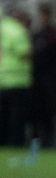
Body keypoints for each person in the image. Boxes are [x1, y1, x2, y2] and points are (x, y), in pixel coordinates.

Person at [31, 5, 56, 147]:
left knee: (51, 111)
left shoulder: (55, 33)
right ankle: (36, 141)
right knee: (37, 112)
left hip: (51, 78)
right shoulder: (36, 35)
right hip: (38, 79)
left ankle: (50, 141)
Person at [0, 10, 32, 147]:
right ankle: (15, 147)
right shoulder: (17, 31)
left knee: (2, 120)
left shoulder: (2, 29)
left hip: (2, 80)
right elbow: (25, 53)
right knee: (16, 120)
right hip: (17, 80)